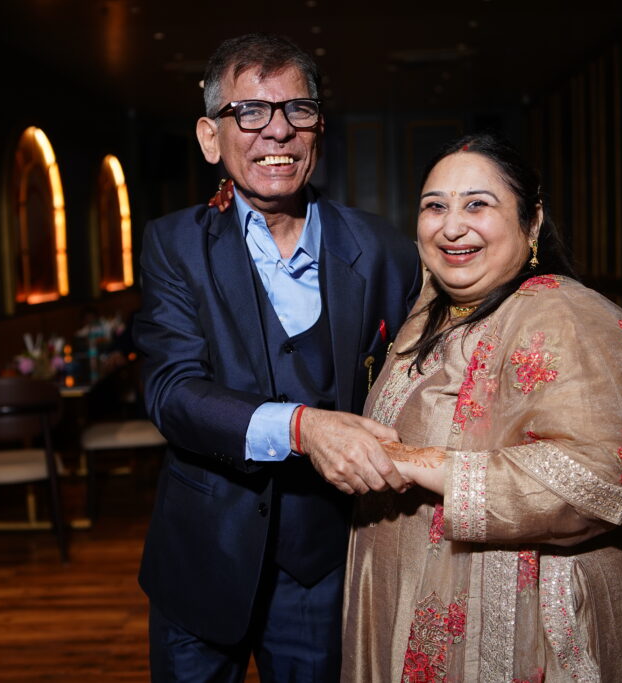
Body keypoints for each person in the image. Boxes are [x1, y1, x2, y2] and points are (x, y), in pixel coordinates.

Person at [342, 133, 622, 682]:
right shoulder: (432, 311)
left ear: (532, 222)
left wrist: (414, 461)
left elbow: (599, 478)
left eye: (477, 204)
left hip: (528, 623)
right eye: (435, 206)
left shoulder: (565, 316)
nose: (451, 226)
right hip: (404, 595)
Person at [134, 33, 420, 681]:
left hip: (324, 565)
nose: (278, 130)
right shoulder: (173, 245)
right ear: (211, 137)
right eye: (250, 112)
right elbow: (172, 392)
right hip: (202, 557)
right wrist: (302, 427)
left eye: (299, 110)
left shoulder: (383, 249)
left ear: (319, 128)